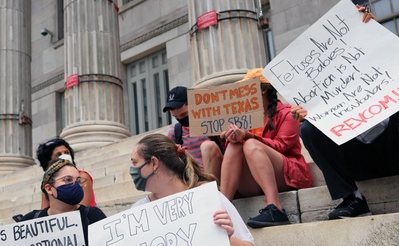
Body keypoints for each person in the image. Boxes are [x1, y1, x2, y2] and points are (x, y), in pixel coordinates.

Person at [80, 133, 256, 246]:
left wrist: (226, 238)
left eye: (134, 163)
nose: (131, 169)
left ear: (154, 164)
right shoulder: (138, 212)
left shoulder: (208, 200)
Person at [290, 5, 397, 220]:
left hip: (393, 146)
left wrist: (376, 34)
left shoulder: (385, 64)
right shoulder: (324, 87)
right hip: (357, 160)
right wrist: (308, 114)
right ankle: (352, 199)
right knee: (309, 129)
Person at [219, 69, 313, 228]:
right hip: (255, 177)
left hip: (288, 174)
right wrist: (230, 137)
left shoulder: (287, 113)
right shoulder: (244, 116)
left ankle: (275, 208)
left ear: (262, 89)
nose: (242, 92)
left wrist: (249, 137)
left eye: (246, 87)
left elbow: (282, 146)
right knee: (234, 146)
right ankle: (222, 208)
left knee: (250, 144)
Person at [164, 86, 225, 182]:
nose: (181, 119)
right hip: (193, 181)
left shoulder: (215, 124)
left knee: (208, 146)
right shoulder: (174, 133)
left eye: (184, 115)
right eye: (176, 117)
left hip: (219, 177)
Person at [36, 137, 97, 209]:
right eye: (58, 155)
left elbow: (83, 209)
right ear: (49, 162)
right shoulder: (47, 184)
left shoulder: (82, 177)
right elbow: (44, 210)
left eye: (66, 152)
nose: (64, 156)